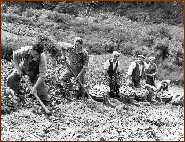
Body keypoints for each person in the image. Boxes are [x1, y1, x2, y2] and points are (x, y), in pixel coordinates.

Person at [7, 35, 50, 108]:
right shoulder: (25, 50)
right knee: (11, 78)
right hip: (23, 68)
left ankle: (46, 104)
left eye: (38, 54)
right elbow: (14, 55)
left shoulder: (42, 58)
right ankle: (13, 95)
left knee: (41, 90)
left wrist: (34, 87)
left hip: (35, 73)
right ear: (32, 50)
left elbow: (42, 75)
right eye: (36, 54)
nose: (37, 56)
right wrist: (18, 69)